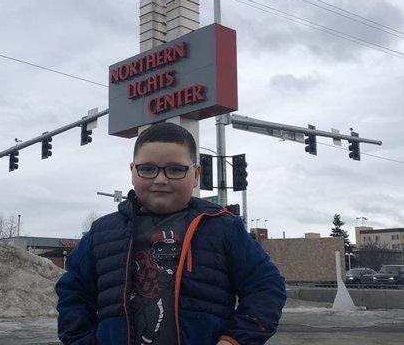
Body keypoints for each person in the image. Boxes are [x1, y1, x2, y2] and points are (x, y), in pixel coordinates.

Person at [56, 122, 286, 345]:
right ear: (132, 171)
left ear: (196, 174)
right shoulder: (102, 232)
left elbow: (266, 287)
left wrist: (235, 340)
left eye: (175, 169)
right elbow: (73, 293)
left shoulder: (224, 227)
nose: (160, 179)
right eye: (147, 169)